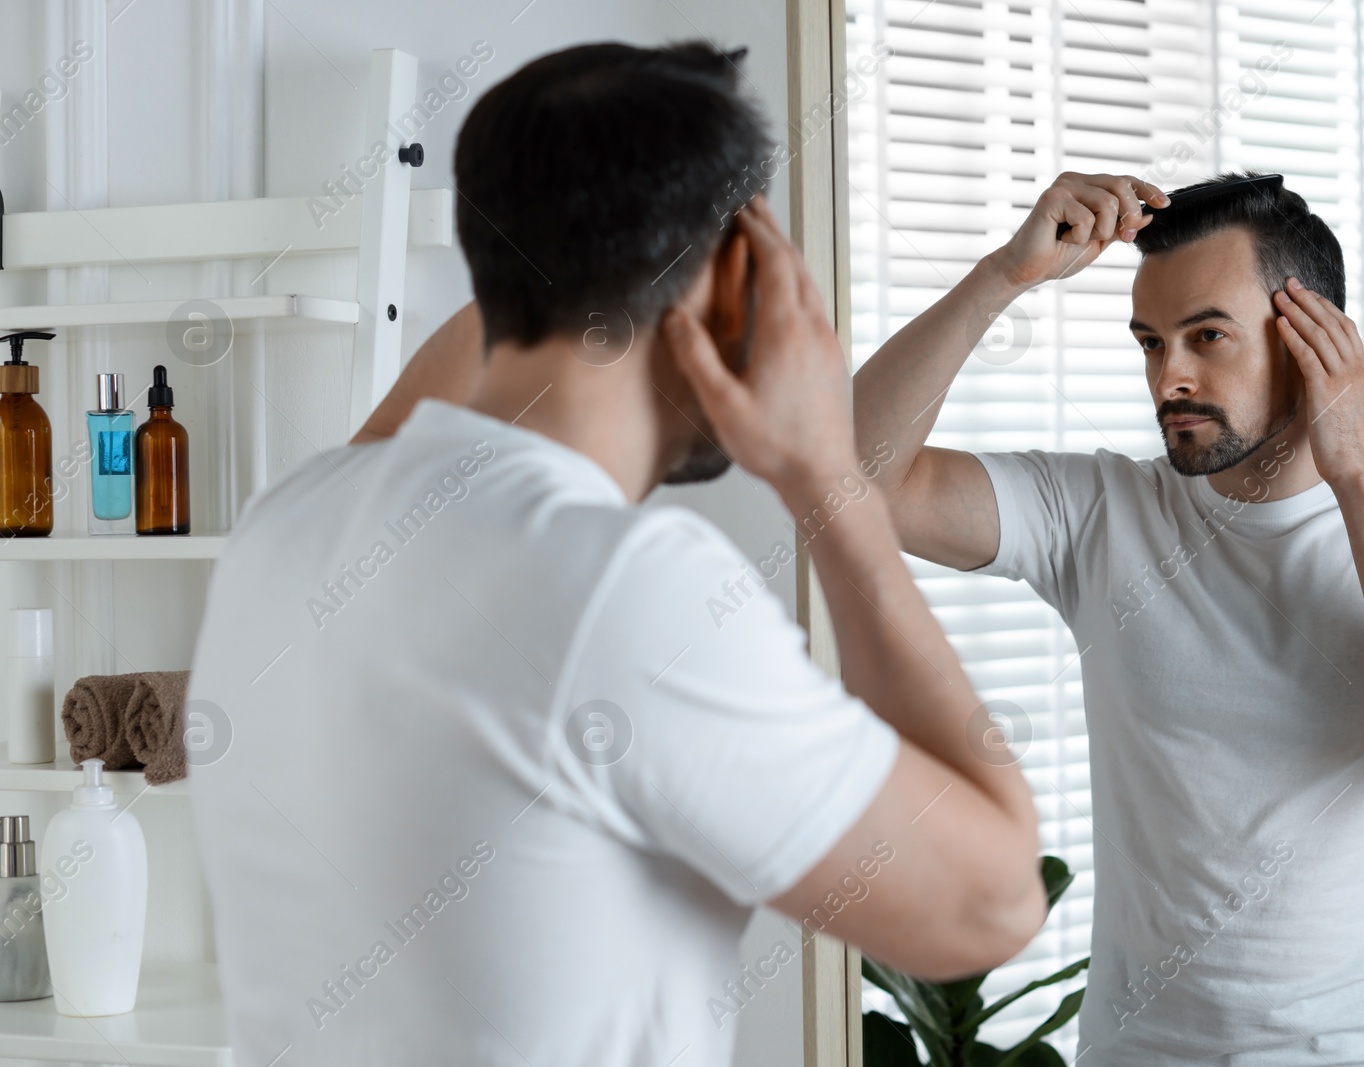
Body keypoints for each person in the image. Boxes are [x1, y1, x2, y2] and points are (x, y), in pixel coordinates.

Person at [186, 41, 1047, 1067]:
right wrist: (828, 480)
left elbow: (433, 404)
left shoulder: (283, 528)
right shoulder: (623, 588)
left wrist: (581, 239)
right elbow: (991, 903)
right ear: (741, 278)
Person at [850, 169, 1364, 1064]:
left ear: (1312, 339)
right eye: (1150, 342)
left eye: (1206, 336)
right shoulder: (1098, 511)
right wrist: (1002, 278)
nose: (1169, 376)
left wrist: (1358, 476)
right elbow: (848, 479)